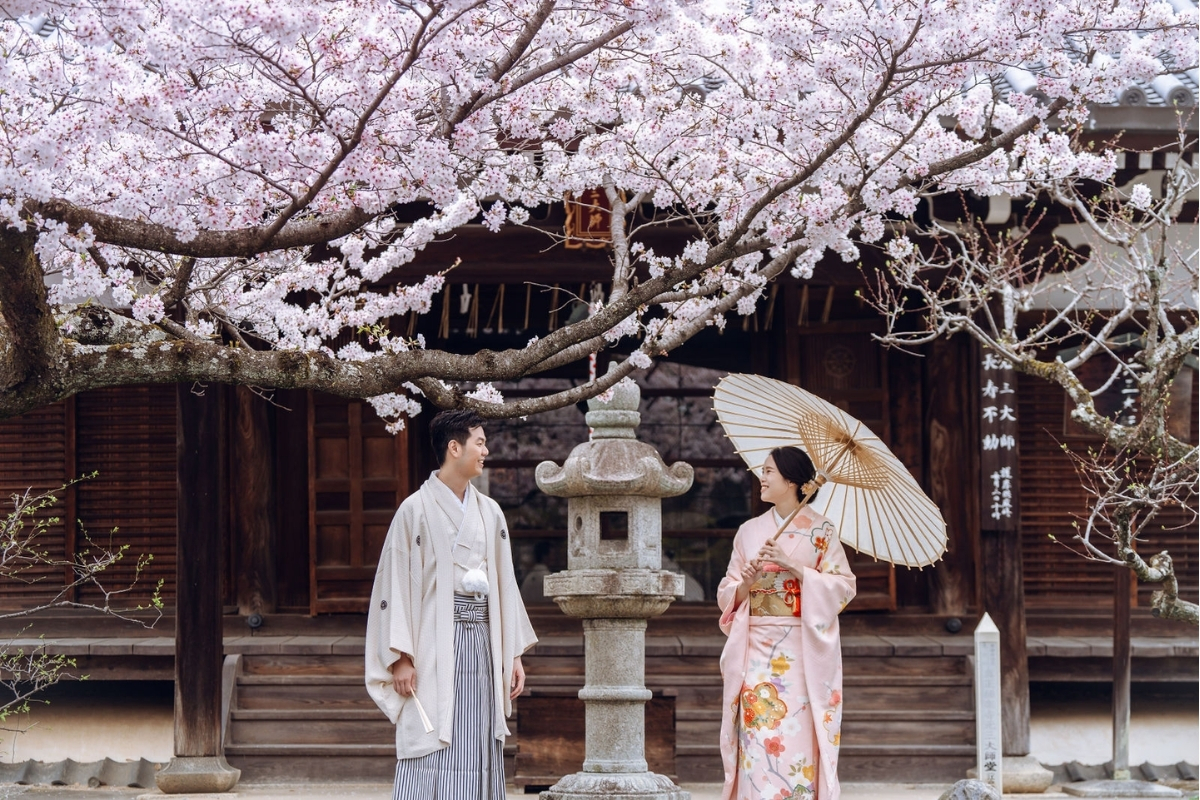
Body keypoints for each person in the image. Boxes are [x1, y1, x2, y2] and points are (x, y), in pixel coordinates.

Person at [365, 409, 537, 800]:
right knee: (430, 730)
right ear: (454, 447)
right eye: (479, 442)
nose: (486, 450)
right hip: (431, 643)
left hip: (482, 639)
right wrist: (401, 657)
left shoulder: (490, 512)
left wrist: (513, 655)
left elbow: (504, 584)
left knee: (477, 730)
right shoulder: (414, 510)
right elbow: (395, 584)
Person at [716, 446, 857, 800]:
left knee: (795, 734)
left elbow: (843, 587)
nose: (761, 478)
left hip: (800, 652)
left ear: (793, 481)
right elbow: (726, 591)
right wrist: (746, 584)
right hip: (755, 650)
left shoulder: (821, 530)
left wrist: (793, 566)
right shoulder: (749, 531)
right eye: (762, 471)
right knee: (757, 735)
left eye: (768, 472)